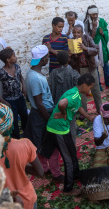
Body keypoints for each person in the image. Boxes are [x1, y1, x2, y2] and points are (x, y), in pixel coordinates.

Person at [0, 103, 46, 209]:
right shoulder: (25, 145)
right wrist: (21, 166)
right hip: (26, 198)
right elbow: (40, 172)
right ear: (10, 124)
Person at [47, 73, 97, 196]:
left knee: (72, 153)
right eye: (90, 87)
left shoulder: (76, 94)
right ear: (84, 85)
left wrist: (89, 117)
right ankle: (68, 189)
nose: (90, 90)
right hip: (58, 130)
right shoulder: (74, 95)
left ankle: (75, 175)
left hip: (64, 129)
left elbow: (78, 107)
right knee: (68, 160)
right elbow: (62, 104)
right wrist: (63, 113)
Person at [24, 45, 64, 183]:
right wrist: (50, 119)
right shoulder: (36, 78)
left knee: (40, 143)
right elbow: (39, 102)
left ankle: (45, 168)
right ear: (42, 59)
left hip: (40, 112)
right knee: (50, 145)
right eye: (47, 57)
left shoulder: (31, 73)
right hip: (42, 113)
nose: (48, 59)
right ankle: (56, 173)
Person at [0, 48, 28, 139]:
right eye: (14, 55)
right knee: (14, 121)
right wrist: (3, 100)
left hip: (20, 97)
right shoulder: (1, 72)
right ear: (8, 59)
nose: (16, 57)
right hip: (9, 101)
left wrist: (23, 86)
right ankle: (16, 140)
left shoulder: (17, 67)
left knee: (25, 117)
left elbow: (21, 78)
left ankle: (27, 134)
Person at [48, 51, 80, 144]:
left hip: (57, 104)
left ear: (57, 61)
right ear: (68, 60)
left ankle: (61, 145)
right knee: (71, 125)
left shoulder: (53, 73)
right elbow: (78, 87)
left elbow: (49, 88)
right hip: (70, 105)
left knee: (59, 124)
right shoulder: (73, 73)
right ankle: (72, 145)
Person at [69, 24, 101, 113]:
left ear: (82, 33)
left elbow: (96, 50)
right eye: (74, 32)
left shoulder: (87, 38)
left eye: (78, 32)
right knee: (81, 92)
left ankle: (100, 110)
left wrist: (85, 48)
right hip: (79, 69)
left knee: (96, 90)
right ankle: (84, 113)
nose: (76, 35)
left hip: (90, 68)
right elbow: (71, 61)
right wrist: (71, 55)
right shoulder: (71, 41)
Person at [83, 5, 109, 89]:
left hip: (102, 46)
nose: (95, 16)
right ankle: (97, 84)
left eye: (96, 14)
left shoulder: (101, 21)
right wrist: (94, 28)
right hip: (93, 47)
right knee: (95, 66)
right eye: (93, 14)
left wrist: (103, 33)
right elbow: (88, 37)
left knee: (105, 65)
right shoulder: (86, 23)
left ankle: (108, 82)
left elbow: (106, 32)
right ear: (89, 15)